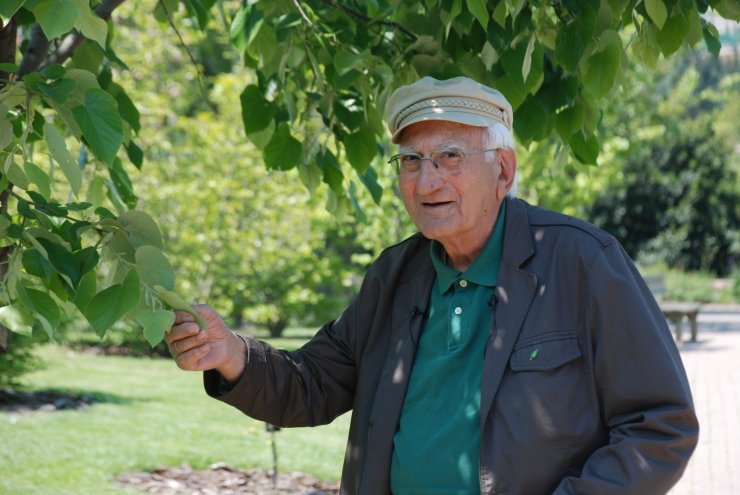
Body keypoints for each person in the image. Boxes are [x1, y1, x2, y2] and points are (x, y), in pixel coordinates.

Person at [166, 76, 699, 494]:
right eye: (411, 161)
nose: (426, 181)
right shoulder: (395, 273)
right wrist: (231, 354)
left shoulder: (582, 261)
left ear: (504, 171)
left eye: (449, 157)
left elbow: (659, 425)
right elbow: (314, 384)